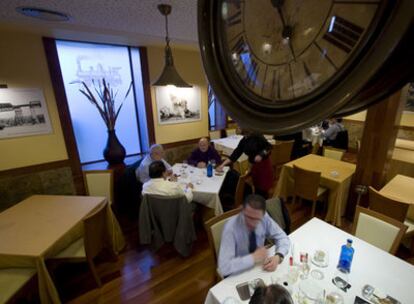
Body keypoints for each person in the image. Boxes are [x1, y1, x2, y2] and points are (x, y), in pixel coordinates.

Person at [218, 194, 290, 277]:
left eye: (257, 219)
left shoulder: (263, 216)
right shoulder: (230, 229)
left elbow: (282, 236)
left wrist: (278, 256)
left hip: (259, 266)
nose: (252, 223)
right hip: (237, 271)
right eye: (249, 217)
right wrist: (253, 257)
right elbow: (224, 267)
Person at [217, 133, 273, 198]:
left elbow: (269, 147)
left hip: (264, 166)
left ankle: (265, 205)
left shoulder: (257, 136)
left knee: (263, 190)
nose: (239, 128)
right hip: (254, 166)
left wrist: (261, 154)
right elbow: (235, 155)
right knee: (256, 188)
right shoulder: (243, 140)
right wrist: (222, 165)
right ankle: (258, 204)